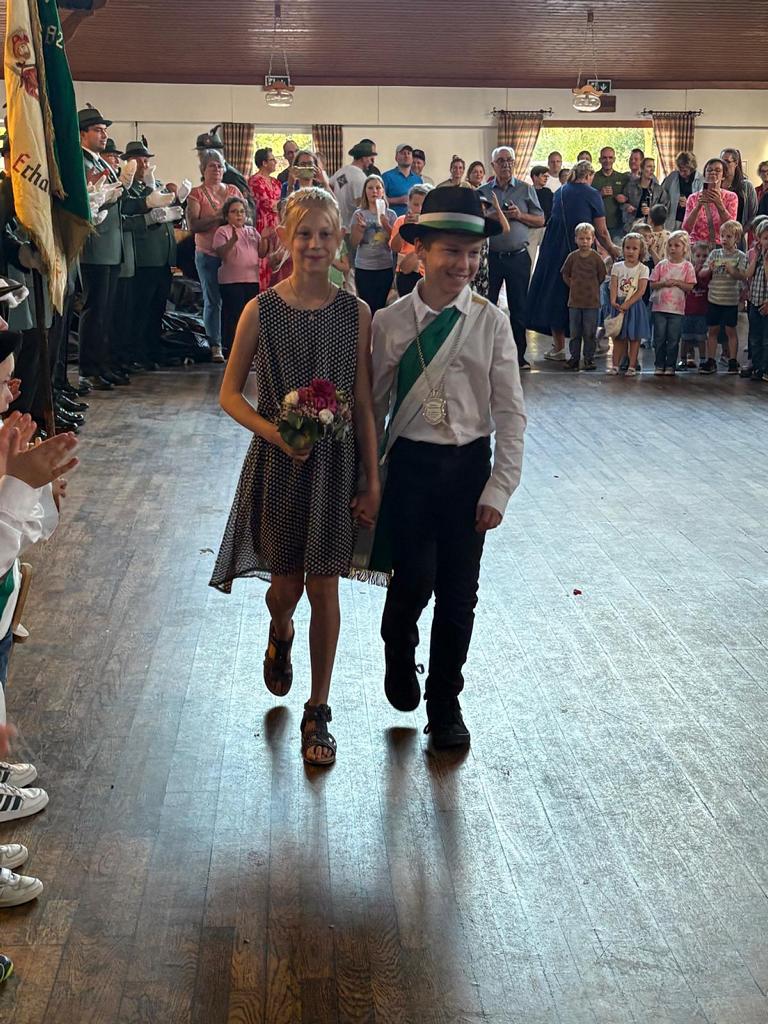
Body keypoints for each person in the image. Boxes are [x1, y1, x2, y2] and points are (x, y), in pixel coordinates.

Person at [209, 187, 379, 766]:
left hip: (334, 467)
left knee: (325, 585)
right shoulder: (261, 310)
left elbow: (362, 401)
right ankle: (280, 630)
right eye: (304, 233)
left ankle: (319, 707)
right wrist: (277, 433)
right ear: (284, 236)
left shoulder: (355, 314)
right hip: (280, 463)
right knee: (286, 588)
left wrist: (372, 478)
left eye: (325, 234)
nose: (314, 244)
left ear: (340, 241)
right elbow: (230, 395)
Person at [370, 186, 526, 749]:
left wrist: (500, 487)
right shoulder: (389, 322)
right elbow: (373, 407)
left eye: (474, 254)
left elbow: (510, 410)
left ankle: (445, 703)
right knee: (414, 579)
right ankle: (397, 640)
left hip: (468, 472)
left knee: (460, 594)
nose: (463, 264)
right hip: (411, 470)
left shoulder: (491, 322)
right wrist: (368, 480)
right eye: (451, 251)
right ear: (421, 251)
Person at [528, 160, 620, 360]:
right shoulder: (592, 194)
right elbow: (601, 231)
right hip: (581, 252)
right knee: (587, 296)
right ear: (589, 175)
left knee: (556, 296)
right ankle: (589, 347)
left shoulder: (560, 192)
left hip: (554, 251)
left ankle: (558, 348)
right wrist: (612, 249)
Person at [78, 105, 133, 391]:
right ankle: (88, 368)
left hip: (112, 245)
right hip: (96, 246)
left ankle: (102, 363)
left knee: (106, 311)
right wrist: (111, 192)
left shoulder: (101, 162)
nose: (104, 135)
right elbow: (89, 198)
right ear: (82, 134)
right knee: (95, 310)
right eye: (98, 130)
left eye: (105, 130)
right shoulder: (81, 161)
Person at [120, 140, 186, 371]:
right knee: (141, 309)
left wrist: (178, 205)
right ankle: (138, 353)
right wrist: (149, 190)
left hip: (163, 257)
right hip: (145, 257)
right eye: (139, 160)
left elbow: (166, 212)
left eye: (146, 160)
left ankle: (154, 350)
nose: (144, 165)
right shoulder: (129, 188)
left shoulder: (156, 183)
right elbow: (130, 214)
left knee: (158, 309)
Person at [478, 146, 544, 370]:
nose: (506, 164)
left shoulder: (526, 189)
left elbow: (540, 220)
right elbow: (476, 220)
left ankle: (518, 356)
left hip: (518, 257)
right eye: (501, 161)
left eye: (509, 160)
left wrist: (519, 215)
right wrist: (492, 214)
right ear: (493, 165)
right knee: (486, 306)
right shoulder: (483, 191)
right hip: (491, 258)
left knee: (519, 308)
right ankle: (486, 354)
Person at [187, 151, 245, 363]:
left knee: (234, 298)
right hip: (208, 253)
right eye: (212, 166)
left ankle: (236, 343)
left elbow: (244, 215)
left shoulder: (233, 190)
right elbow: (194, 225)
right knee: (213, 299)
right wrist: (219, 217)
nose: (217, 170)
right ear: (203, 169)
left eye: (220, 166)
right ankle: (215, 345)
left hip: (233, 253)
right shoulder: (196, 194)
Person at [213, 196, 270, 357]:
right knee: (234, 316)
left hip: (251, 280)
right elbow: (221, 253)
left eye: (242, 211)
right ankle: (232, 351)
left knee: (250, 318)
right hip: (231, 281)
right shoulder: (222, 231)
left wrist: (264, 238)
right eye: (234, 212)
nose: (239, 215)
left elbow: (261, 253)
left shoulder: (252, 231)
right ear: (227, 215)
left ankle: (249, 351)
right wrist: (232, 240)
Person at [699, 219, 748, 374]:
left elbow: (743, 276)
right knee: (712, 330)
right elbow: (702, 273)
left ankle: (732, 360)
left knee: (730, 330)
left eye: (729, 236)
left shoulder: (740, 256)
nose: (724, 239)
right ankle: (711, 360)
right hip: (714, 298)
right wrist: (709, 269)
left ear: (736, 238)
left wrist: (732, 270)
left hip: (730, 300)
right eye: (722, 236)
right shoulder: (715, 254)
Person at [648, 231, 696, 375]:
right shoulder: (661, 265)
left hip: (677, 310)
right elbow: (652, 284)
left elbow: (690, 286)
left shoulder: (687, 266)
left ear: (684, 248)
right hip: (659, 308)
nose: (672, 248)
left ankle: (670, 365)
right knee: (659, 338)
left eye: (676, 245)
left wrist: (677, 283)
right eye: (670, 245)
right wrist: (664, 283)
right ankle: (659, 364)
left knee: (674, 339)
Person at [561, 222, 607, 370]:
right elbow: (565, 273)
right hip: (575, 302)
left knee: (590, 332)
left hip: (592, 302)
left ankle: (589, 359)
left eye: (588, 238)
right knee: (575, 333)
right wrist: (572, 285)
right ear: (576, 239)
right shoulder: (572, 257)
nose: (585, 241)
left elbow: (602, 275)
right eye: (581, 238)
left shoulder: (596, 258)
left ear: (593, 239)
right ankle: (574, 358)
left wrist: (592, 286)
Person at [350, 175, 397, 316]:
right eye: (370, 188)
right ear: (365, 191)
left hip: (384, 266)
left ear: (383, 191)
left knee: (381, 308)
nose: (374, 191)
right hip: (364, 267)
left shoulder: (391, 214)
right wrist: (360, 229)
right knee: (366, 308)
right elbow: (353, 243)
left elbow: (395, 244)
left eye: (378, 188)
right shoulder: (359, 214)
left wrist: (386, 225)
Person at [606, 232, 651, 377]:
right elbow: (613, 285)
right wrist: (613, 300)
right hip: (618, 305)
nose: (630, 251)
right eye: (627, 248)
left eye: (634, 248)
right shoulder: (617, 266)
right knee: (618, 337)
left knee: (634, 338)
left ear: (641, 251)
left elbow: (641, 290)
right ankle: (615, 365)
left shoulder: (643, 269)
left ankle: (632, 366)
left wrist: (628, 303)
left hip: (634, 306)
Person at [248, 147, 282, 293]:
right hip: (263, 224)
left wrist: (279, 205)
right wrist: (279, 204)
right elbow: (267, 204)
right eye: (272, 159)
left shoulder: (276, 182)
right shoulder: (255, 181)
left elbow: (282, 204)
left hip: (278, 223)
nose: (275, 162)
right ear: (264, 163)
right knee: (264, 261)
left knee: (278, 259)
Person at [681, 158, 738, 246]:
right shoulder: (693, 198)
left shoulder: (731, 197)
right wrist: (698, 207)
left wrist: (719, 204)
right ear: (704, 175)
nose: (713, 173)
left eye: (718, 170)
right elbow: (686, 229)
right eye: (709, 170)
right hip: (696, 247)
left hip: (720, 246)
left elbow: (732, 228)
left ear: (723, 176)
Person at [390, 183, 432, 297]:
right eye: (416, 204)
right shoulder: (400, 220)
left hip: (427, 273)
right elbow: (395, 248)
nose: (419, 209)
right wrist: (404, 227)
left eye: (423, 205)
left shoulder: (433, 223)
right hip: (406, 272)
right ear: (409, 203)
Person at [329, 140, 377, 229]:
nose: (371, 162)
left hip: (337, 224)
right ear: (364, 158)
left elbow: (329, 186)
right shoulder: (360, 177)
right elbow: (361, 203)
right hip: (351, 227)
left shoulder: (341, 172)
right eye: (370, 159)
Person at [678, 241, 711, 369]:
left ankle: (702, 360)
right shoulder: (688, 269)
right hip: (687, 310)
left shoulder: (708, 272)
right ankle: (684, 359)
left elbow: (705, 285)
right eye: (698, 256)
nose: (701, 259)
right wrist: (695, 272)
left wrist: (702, 272)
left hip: (702, 311)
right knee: (685, 337)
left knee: (701, 337)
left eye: (705, 256)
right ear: (692, 256)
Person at [193, 127, 250, 197]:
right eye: (200, 154)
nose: (202, 158)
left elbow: (247, 203)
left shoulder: (232, 176)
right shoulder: (207, 173)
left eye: (208, 154)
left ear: (219, 154)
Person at [744, 220, 768, 381]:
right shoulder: (758, 255)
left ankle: (765, 368)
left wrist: (765, 261)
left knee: (766, 339)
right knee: (755, 336)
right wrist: (758, 256)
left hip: (766, 302)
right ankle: (757, 366)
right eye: (765, 238)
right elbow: (748, 274)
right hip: (755, 301)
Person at [592, 147, 629, 243]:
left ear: (614, 159)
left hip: (618, 226)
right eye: (604, 158)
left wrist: (625, 199)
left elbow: (631, 198)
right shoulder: (593, 178)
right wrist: (599, 194)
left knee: (617, 251)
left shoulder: (623, 178)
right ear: (600, 160)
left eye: (610, 157)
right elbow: (586, 200)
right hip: (597, 227)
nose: (607, 161)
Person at [661, 152, 704, 230]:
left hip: (690, 220)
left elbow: (702, 203)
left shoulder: (700, 180)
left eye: (685, 171)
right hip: (673, 219)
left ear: (691, 168)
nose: (682, 173)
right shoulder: (672, 176)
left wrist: (688, 203)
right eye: (680, 170)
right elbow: (662, 194)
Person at [720, 148, 757, 233]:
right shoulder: (716, 185)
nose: (724, 165)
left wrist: (741, 233)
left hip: (738, 234)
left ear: (736, 163)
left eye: (727, 162)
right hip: (717, 235)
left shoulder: (746, 186)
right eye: (722, 162)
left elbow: (753, 215)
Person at [623, 157, 668, 228]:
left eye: (653, 167)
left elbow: (664, 209)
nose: (652, 170)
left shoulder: (659, 190)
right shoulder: (631, 186)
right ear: (641, 169)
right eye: (649, 166)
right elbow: (622, 204)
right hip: (631, 226)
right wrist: (627, 206)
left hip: (651, 227)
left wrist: (652, 211)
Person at [381, 144, 423, 218]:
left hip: (413, 220)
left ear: (412, 158)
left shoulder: (418, 179)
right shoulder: (387, 176)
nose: (406, 156)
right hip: (393, 220)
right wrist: (399, 200)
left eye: (409, 153)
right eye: (403, 153)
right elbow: (379, 200)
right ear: (396, 157)